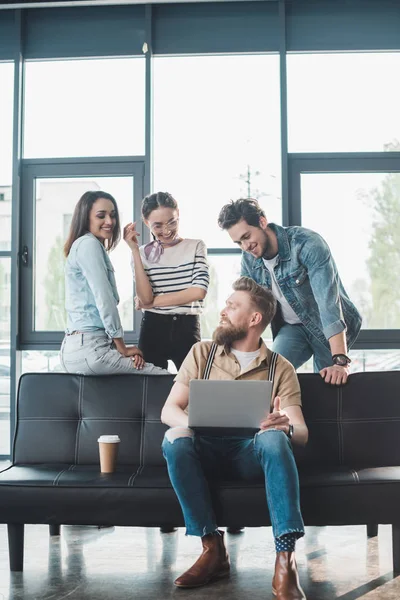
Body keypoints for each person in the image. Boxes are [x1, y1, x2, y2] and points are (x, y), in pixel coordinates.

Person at [161, 277, 308, 599]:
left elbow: (301, 432)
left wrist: (284, 425)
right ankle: (212, 548)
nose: (223, 311)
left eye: (232, 306)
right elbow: (169, 409)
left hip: (250, 455)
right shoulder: (203, 353)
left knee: (273, 439)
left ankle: (286, 558)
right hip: (205, 450)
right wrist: (191, 424)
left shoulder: (280, 368)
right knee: (174, 437)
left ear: (255, 319)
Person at [218, 199, 362, 386]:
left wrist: (340, 361)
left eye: (247, 237)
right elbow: (248, 304)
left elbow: (328, 304)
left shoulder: (307, 244)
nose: (245, 247)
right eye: (239, 243)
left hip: (323, 324)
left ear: (262, 222)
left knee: (329, 382)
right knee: (270, 376)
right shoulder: (249, 258)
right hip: (291, 328)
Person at [60, 190, 169, 376]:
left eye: (113, 215)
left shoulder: (84, 246)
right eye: (101, 216)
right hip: (90, 349)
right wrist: (123, 348)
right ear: (85, 218)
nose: (109, 221)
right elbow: (105, 299)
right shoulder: (89, 245)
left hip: (77, 349)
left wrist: (119, 350)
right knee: (164, 378)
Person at [124, 191, 209, 371]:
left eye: (172, 221)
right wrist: (134, 251)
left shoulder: (196, 246)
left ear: (178, 214)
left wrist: (150, 303)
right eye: (158, 225)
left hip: (187, 326)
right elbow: (144, 296)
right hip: (153, 327)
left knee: (193, 388)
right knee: (151, 390)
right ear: (147, 223)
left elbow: (198, 291)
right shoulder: (140, 254)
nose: (167, 230)